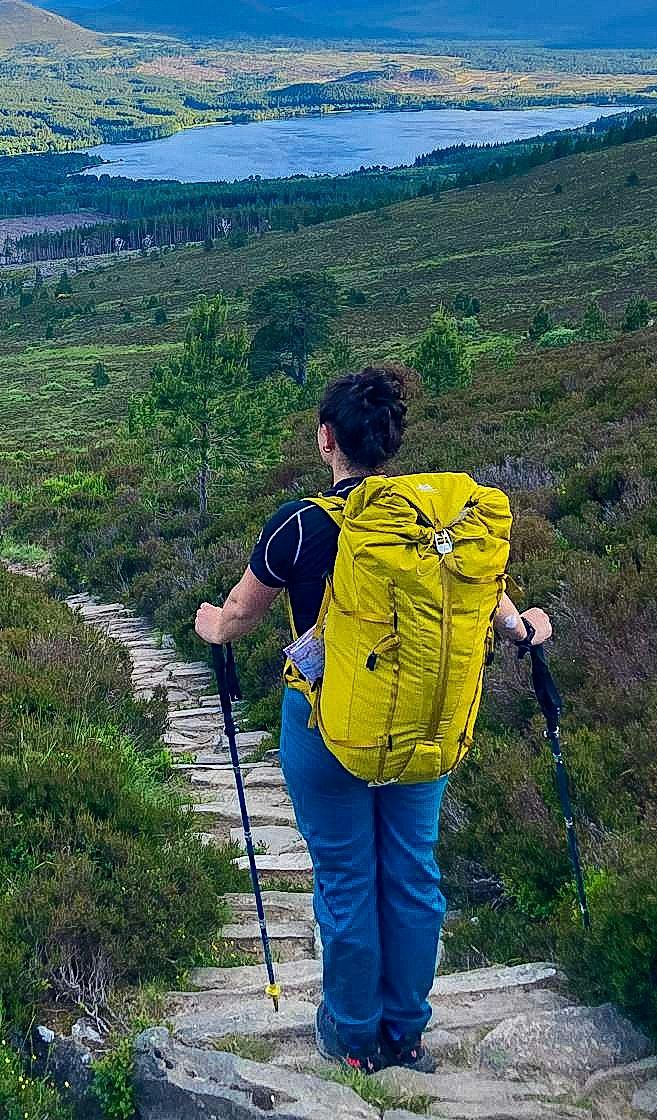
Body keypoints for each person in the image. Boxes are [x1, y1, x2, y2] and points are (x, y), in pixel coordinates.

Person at [193, 364, 551, 1074]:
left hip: (327, 730)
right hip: (423, 725)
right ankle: (407, 1034)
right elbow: (499, 610)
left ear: (328, 439)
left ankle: (353, 1036)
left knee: (347, 878)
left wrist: (210, 627)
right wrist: (528, 628)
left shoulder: (296, 525)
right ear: (389, 443)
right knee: (414, 873)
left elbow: (238, 616)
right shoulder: (434, 524)